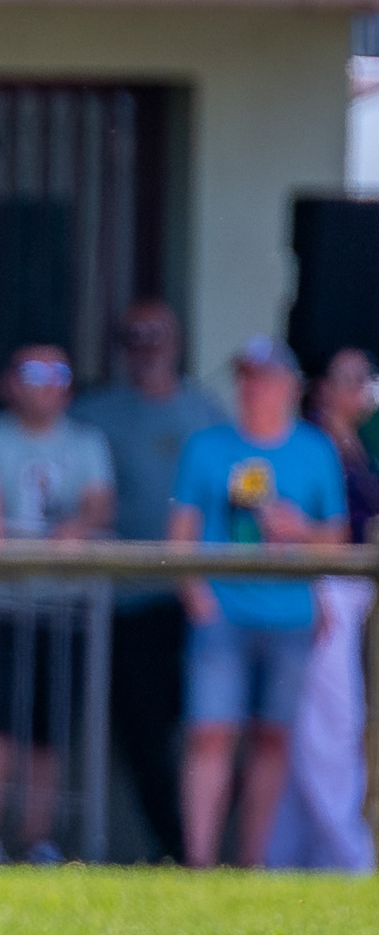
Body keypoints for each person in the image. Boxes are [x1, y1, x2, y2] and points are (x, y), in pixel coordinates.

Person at [170, 335, 347, 869]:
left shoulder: (315, 450)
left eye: (265, 378)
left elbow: (337, 538)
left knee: (273, 741)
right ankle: (199, 865)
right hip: (222, 614)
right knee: (210, 734)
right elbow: (179, 533)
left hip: (291, 616)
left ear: (289, 387)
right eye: (246, 377)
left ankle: (253, 866)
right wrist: (197, 596)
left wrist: (299, 530)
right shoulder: (205, 446)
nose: (255, 389)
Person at [71, 301, 224, 861]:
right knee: (142, 734)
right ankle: (177, 850)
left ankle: (199, 849)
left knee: (208, 730)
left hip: (198, 601)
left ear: (178, 339)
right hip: (123, 601)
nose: (147, 345)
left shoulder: (206, 414)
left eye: (157, 334)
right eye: (134, 335)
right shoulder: (94, 414)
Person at [0, 345, 115, 865]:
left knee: (49, 732)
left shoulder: (86, 440)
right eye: (33, 371)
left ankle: (38, 838)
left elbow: (99, 503)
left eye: (59, 372)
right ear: (9, 382)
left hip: (64, 606)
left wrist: (75, 528)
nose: (47, 383)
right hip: (2, 601)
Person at [267, 347, 377, 872]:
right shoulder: (307, 442)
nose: (363, 391)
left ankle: (298, 858)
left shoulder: (359, 442)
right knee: (326, 726)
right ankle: (347, 856)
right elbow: (297, 527)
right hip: (320, 591)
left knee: (319, 727)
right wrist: (314, 592)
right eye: (351, 380)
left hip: (352, 593)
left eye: (367, 380)